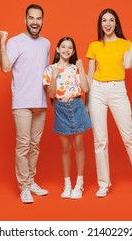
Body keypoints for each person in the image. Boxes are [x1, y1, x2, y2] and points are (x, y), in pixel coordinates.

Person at [86, 8, 132, 197]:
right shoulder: (94, 45)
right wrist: (86, 102)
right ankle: (103, 184)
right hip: (97, 91)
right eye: (104, 20)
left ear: (116, 23)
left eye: (111, 20)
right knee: (100, 140)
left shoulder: (124, 43)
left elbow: (128, 65)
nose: (107, 24)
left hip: (117, 90)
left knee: (129, 136)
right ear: (100, 24)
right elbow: (90, 76)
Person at [0, 4, 51, 204]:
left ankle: (31, 181)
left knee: (35, 146)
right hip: (21, 102)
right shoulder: (15, 42)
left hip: (40, 102)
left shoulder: (46, 43)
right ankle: (24, 188)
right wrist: (1, 44)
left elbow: (46, 73)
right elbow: (5, 67)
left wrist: (53, 96)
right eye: (31, 18)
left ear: (43, 21)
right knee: (23, 145)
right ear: (25, 19)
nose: (35, 22)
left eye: (38, 18)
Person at [43, 37, 92, 199]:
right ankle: (67, 184)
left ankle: (79, 184)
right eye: (63, 47)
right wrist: (55, 76)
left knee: (78, 145)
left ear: (72, 51)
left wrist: (82, 69)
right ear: (57, 49)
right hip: (61, 109)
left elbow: (85, 88)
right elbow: (50, 94)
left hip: (77, 106)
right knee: (65, 148)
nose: (66, 50)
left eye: (70, 47)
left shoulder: (75, 68)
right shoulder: (50, 69)